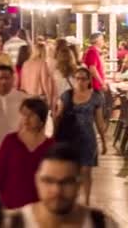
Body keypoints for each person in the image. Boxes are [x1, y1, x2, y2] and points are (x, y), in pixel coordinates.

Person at [6, 143, 118, 228]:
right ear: (37, 180)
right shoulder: (12, 223)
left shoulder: (103, 224)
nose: (57, 190)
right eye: (49, 181)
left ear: (79, 183)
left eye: (67, 182)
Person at [53, 67, 108, 206]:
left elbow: (99, 121)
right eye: (77, 78)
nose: (80, 81)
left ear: (89, 80)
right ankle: (71, 200)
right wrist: (54, 136)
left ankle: (87, 202)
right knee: (71, 172)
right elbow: (58, 117)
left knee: (86, 171)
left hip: (87, 139)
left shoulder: (96, 97)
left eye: (83, 78)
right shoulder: (66, 95)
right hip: (68, 137)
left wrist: (104, 141)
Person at [0, 98, 55, 209]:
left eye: (31, 115)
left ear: (41, 118)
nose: (26, 119)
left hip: (41, 209)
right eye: (23, 114)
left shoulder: (51, 146)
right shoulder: (10, 141)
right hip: (11, 206)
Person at [20, 43, 55, 108]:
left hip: (27, 96)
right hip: (39, 97)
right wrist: (49, 98)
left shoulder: (25, 63)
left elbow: (22, 83)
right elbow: (45, 82)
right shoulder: (42, 63)